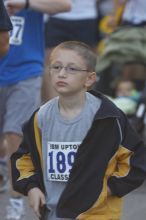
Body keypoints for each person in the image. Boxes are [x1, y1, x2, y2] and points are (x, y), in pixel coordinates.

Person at [11, 41, 146, 220]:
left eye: (72, 69)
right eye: (56, 67)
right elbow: (24, 158)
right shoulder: (41, 116)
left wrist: (107, 190)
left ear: (90, 79)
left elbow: (136, 160)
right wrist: (31, 187)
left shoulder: (108, 118)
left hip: (98, 214)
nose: (62, 73)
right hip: (53, 213)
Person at [0, 0, 71, 219]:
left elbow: (65, 5)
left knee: (15, 135)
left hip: (26, 71)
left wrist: (27, 3)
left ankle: (15, 201)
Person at [42, 0, 99, 101]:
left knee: (87, 64)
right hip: (55, 14)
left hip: (86, 15)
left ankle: (81, 107)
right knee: (51, 63)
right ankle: (53, 110)